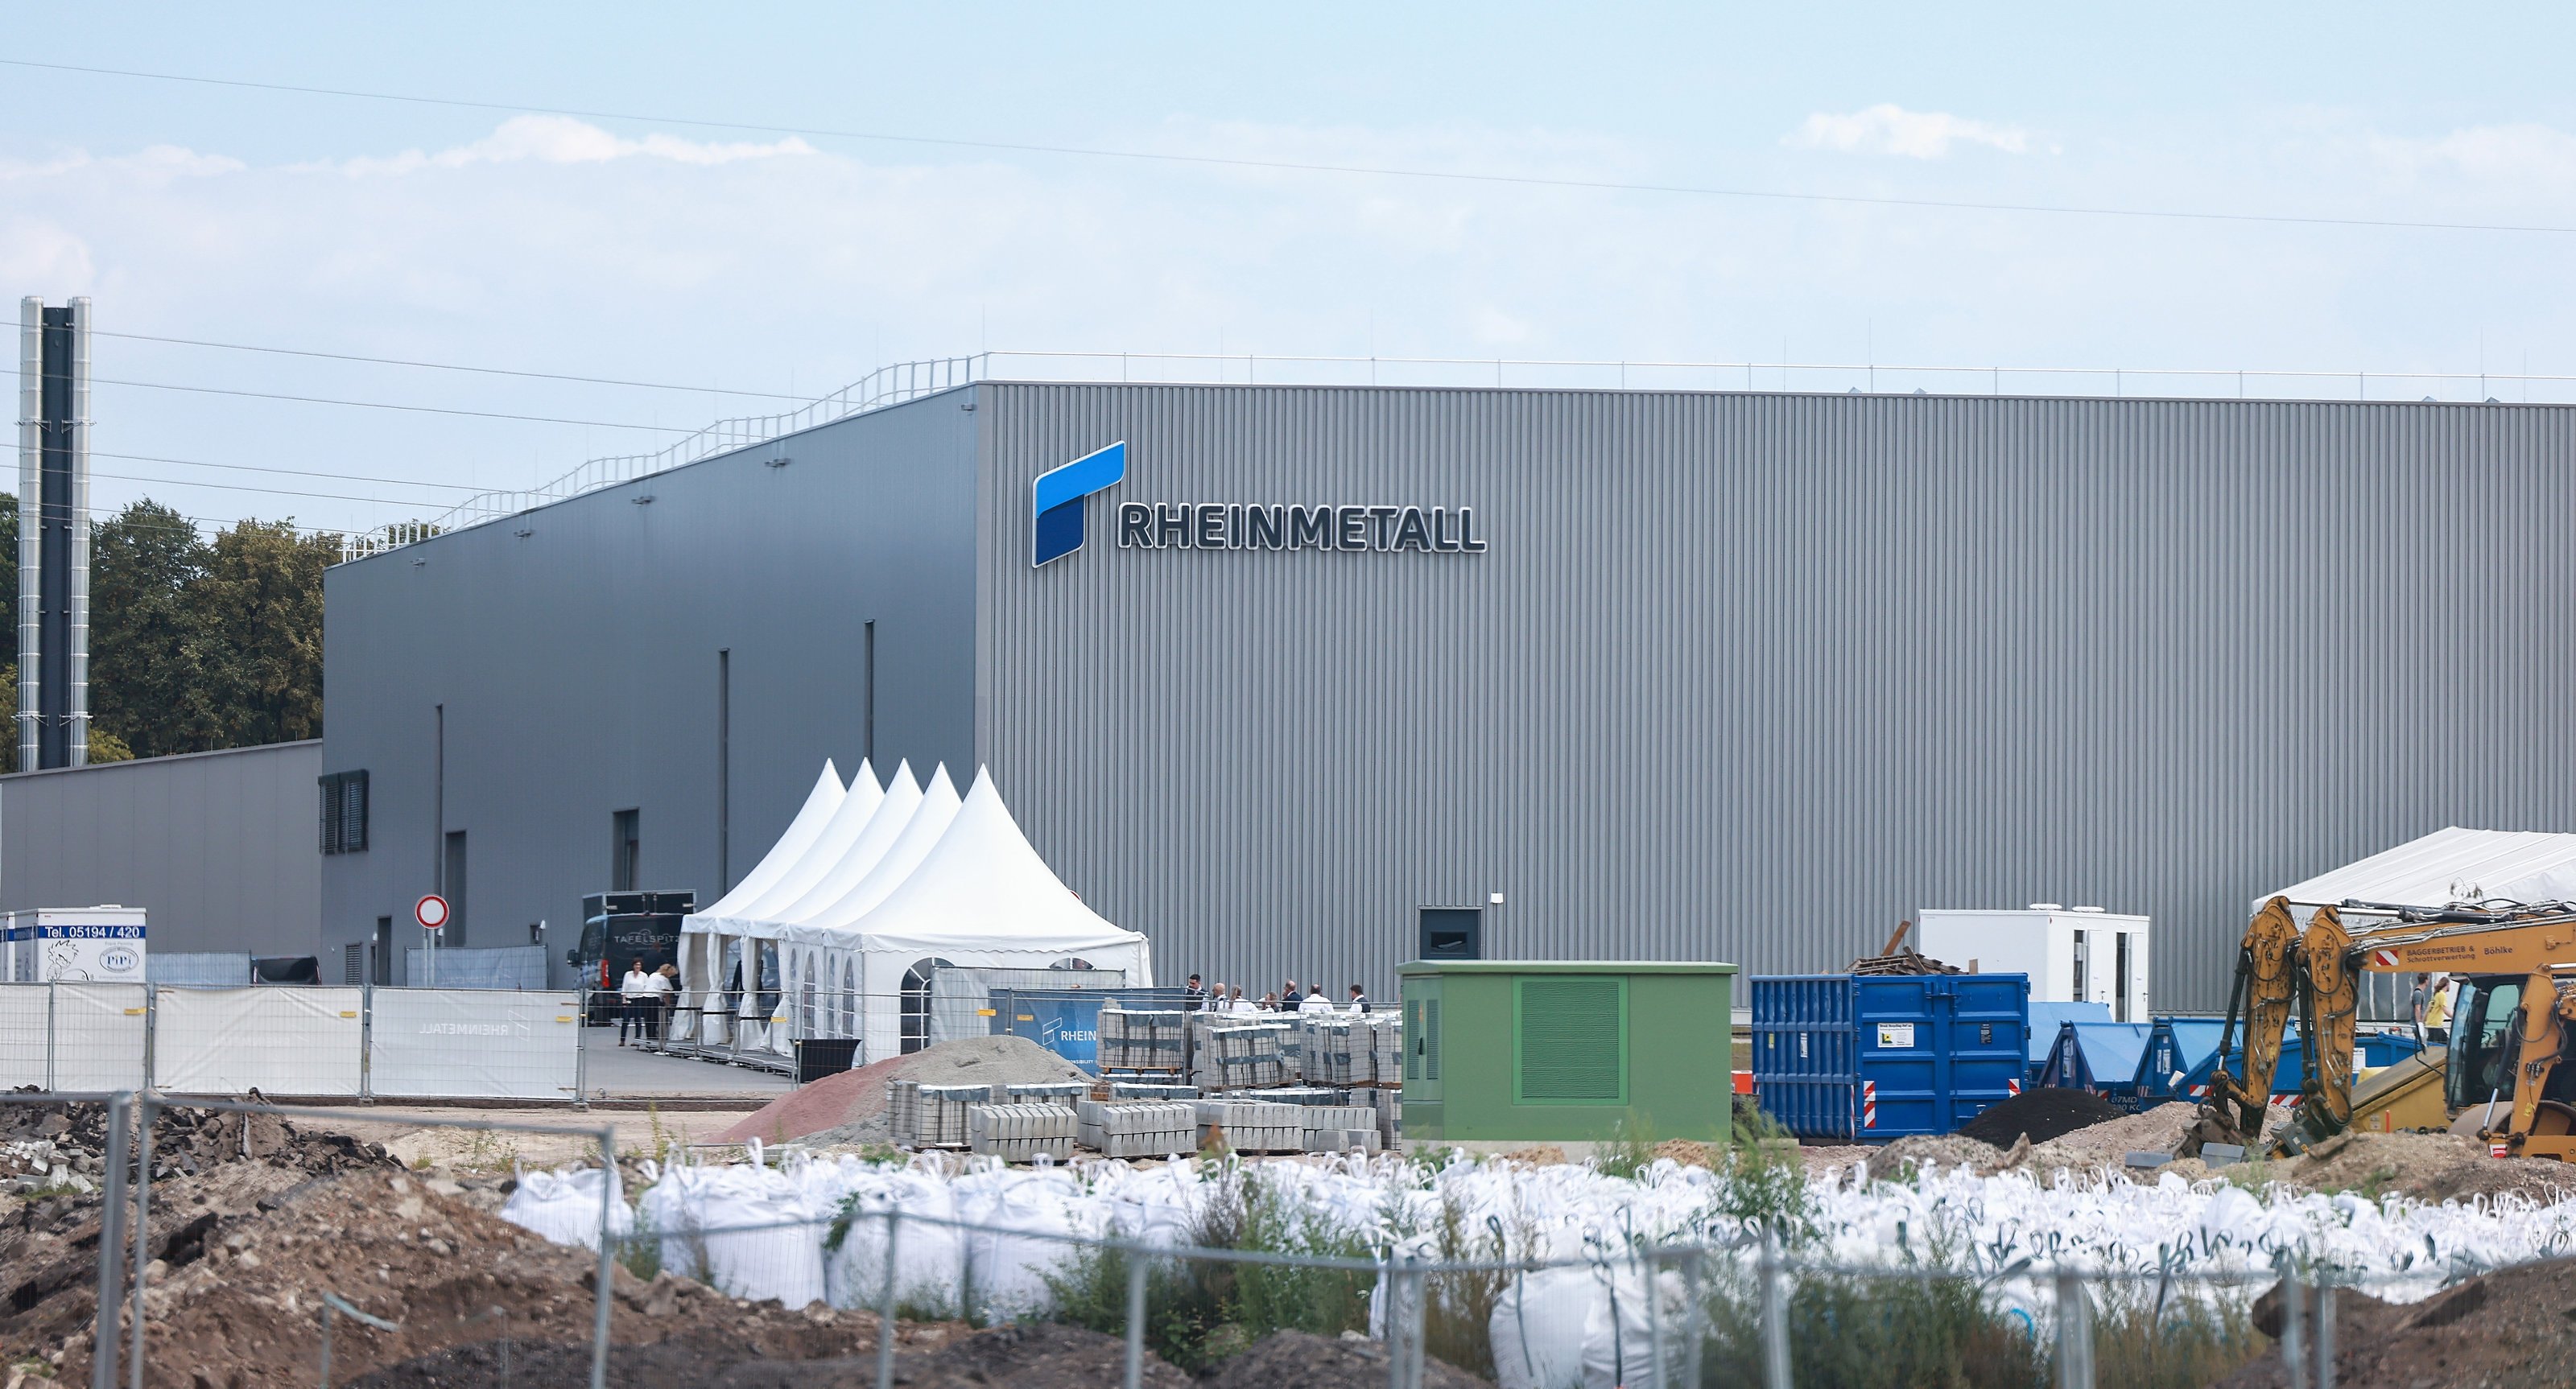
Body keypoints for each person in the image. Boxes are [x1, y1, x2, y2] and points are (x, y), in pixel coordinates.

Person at [618, 959, 663, 1046]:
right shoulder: (628, 974)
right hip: (629, 998)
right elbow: (625, 986)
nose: (637, 967)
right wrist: (624, 998)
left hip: (639, 999)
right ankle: (622, 1039)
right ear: (633, 966)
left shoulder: (644, 975)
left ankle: (637, 1039)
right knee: (626, 1019)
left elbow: (646, 987)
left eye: (639, 965)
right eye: (636, 965)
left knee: (638, 1020)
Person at [2422, 974, 2454, 1045]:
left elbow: (2428, 1010)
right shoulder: (2442, 995)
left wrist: (2422, 1021)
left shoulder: (2436, 995)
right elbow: (2445, 1010)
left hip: (2431, 1024)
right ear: (2447, 984)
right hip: (2436, 1025)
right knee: (2444, 1044)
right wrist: (2455, 1017)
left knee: (2441, 1042)